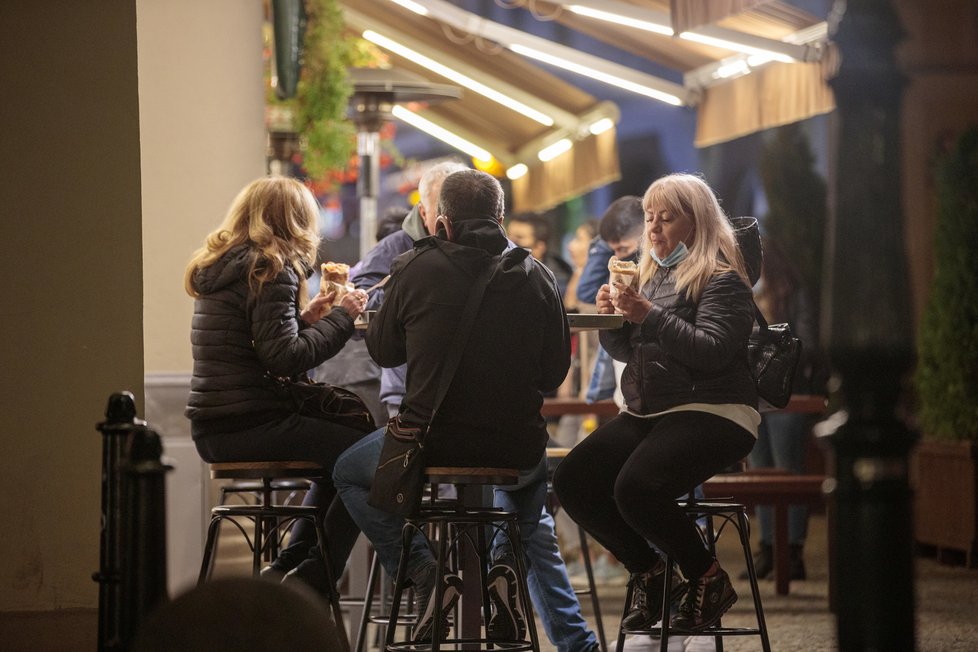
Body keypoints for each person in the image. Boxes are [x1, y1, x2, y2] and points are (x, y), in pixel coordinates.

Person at [334, 169, 596, 648]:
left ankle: (424, 569)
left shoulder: (414, 267)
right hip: (514, 445)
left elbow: (384, 352)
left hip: (428, 444)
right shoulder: (537, 276)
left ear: (443, 225)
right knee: (529, 473)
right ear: (500, 218)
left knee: (349, 471)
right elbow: (553, 374)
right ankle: (503, 566)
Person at [553, 173, 761, 634]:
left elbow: (712, 350)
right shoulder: (651, 276)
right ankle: (650, 573)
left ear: (698, 223)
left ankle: (706, 577)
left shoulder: (723, 278)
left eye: (666, 219)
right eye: (649, 218)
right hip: (651, 411)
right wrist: (615, 322)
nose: (653, 229)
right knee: (573, 479)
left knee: (635, 487)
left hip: (716, 411)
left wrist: (649, 315)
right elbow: (629, 354)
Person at [184, 176, 370, 597]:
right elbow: (285, 359)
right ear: (297, 220)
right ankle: (311, 580)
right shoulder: (273, 268)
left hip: (215, 428)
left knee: (341, 457)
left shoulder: (228, 264)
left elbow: (258, 344)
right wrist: (342, 316)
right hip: (250, 423)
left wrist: (306, 319)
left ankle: (289, 571)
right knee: (367, 457)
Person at [745, 237, 824, 581]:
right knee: (760, 473)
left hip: (789, 393)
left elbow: (807, 341)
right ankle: (768, 549)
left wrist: (768, 345)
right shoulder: (741, 291)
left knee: (788, 471)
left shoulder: (793, 291)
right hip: (752, 394)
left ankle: (792, 552)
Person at [507, 212, 575, 297]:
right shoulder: (502, 271)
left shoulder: (554, 282)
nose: (509, 243)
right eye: (508, 236)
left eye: (519, 237)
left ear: (539, 247)